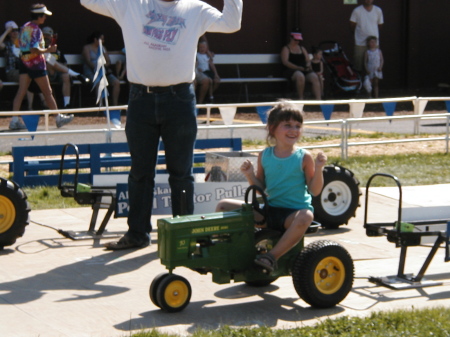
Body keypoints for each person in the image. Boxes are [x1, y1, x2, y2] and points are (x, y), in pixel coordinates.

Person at [80, 0, 242, 250]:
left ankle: (184, 234)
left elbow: (231, 24)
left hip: (179, 99)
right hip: (140, 99)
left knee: (181, 173)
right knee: (140, 172)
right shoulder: (130, 5)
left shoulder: (196, 8)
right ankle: (137, 234)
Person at [215, 101, 327, 272]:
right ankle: (220, 246)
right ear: (273, 128)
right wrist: (250, 175)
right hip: (269, 211)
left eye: (298, 126)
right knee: (223, 205)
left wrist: (319, 169)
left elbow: (315, 190)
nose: (293, 130)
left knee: (306, 216)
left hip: (292, 215)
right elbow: (261, 187)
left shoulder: (303, 157)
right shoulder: (265, 155)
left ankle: (271, 257)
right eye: (287, 125)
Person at [11, 4, 74, 129]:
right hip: (36, 65)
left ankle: (14, 121)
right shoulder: (36, 30)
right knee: (48, 92)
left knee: (21, 92)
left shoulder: (24, 27)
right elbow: (35, 49)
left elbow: (18, 44)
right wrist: (48, 49)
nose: (45, 18)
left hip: (24, 63)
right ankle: (58, 118)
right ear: (39, 16)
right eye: (44, 15)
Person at [0, 20, 33, 129]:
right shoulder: (8, 45)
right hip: (12, 72)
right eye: (12, 31)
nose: (15, 33)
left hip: (23, 72)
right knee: (27, 78)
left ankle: (30, 108)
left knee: (30, 77)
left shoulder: (21, 44)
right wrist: (7, 31)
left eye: (16, 30)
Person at [82, 31, 120, 108]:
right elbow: (88, 62)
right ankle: (101, 105)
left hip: (104, 70)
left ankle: (115, 105)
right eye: (101, 39)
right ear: (95, 39)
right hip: (91, 71)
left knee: (116, 82)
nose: (103, 41)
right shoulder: (86, 48)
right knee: (99, 81)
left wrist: (104, 66)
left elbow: (108, 61)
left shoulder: (103, 48)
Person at [280, 31, 321, 100]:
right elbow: (285, 62)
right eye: (295, 40)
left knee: (314, 76)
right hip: (291, 70)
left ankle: (319, 100)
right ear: (291, 38)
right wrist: (298, 68)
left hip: (303, 69)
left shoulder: (302, 48)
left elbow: (308, 60)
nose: (297, 41)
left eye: (299, 40)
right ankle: (301, 98)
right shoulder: (286, 49)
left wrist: (307, 66)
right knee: (300, 76)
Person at [349, 0, 384, 73]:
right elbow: (352, 25)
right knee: (358, 65)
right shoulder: (357, 11)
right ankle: (360, 83)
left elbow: (380, 25)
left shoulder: (378, 10)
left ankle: (372, 84)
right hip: (360, 43)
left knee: (375, 66)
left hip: (374, 44)